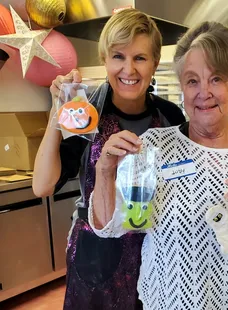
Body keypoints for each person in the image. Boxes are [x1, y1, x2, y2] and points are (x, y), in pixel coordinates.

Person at [88, 21, 228, 310]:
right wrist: (104, 171)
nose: (203, 92)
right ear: (182, 87)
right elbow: (110, 226)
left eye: (216, 78)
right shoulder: (154, 146)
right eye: (192, 81)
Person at [32, 8, 185, 310]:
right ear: (104, 60)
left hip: (154, 256)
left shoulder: (171, 117)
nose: (129, 69)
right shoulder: (86, 114)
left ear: (155, 63)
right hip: (96, 258)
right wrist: (56, 112)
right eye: (118, 56)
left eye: (140, 58)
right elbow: (42, 186)